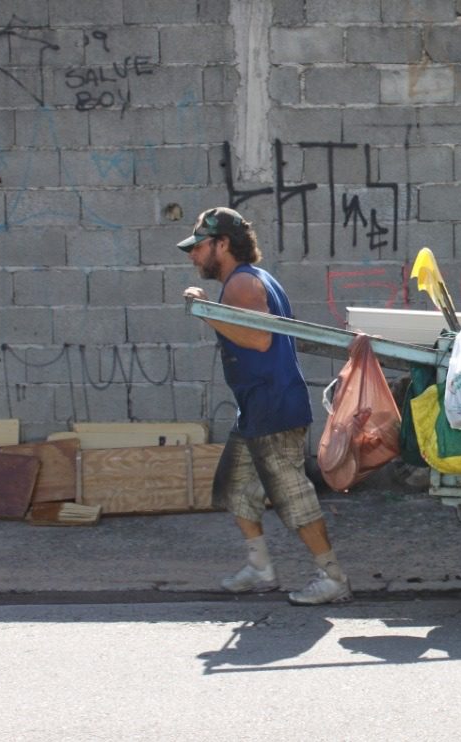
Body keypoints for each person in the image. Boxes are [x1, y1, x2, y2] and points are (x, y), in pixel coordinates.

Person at [180, 206, 351, 605]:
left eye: (199, 247)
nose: (193, 256)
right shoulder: (252, 280)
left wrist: (207, 311)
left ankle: (332, 578)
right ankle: (260, 569)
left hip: (274, 406)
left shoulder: (243, 284)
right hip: (257, 406)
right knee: (235, 488)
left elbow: (258, 341)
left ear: (222, 244)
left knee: (293, 497)